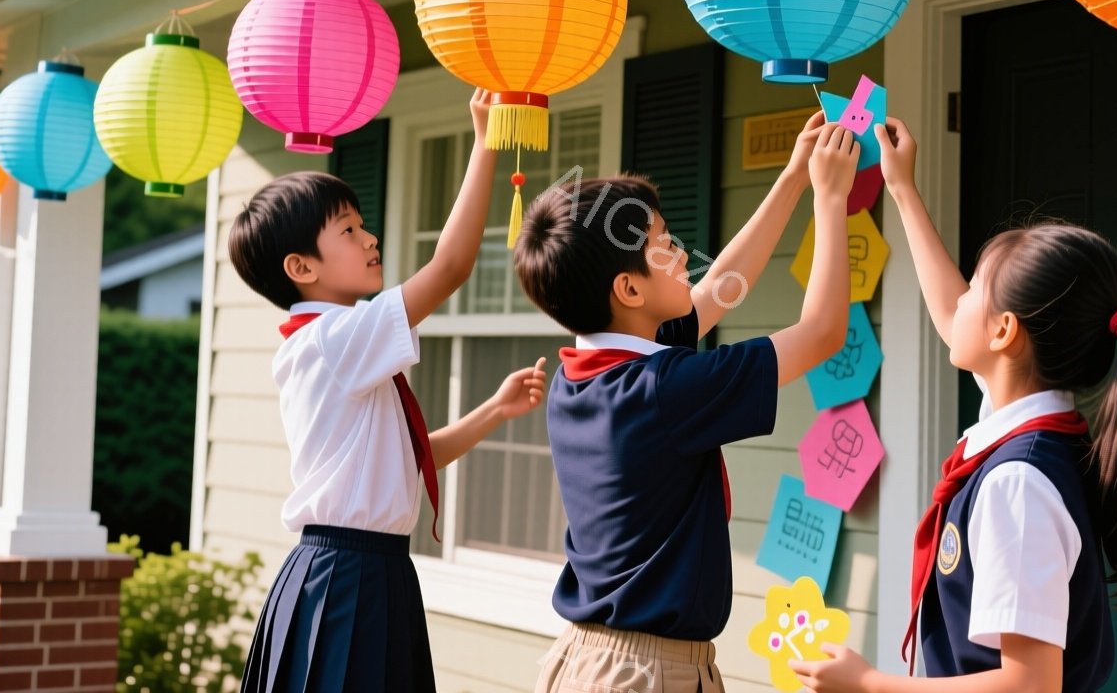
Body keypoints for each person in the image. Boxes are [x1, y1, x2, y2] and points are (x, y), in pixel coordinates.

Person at [791, 116, 1117, 693]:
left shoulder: (1015, 483)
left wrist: (870, 683)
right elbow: (955, 319)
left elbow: (1029, 686)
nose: (961, 298)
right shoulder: (1036, 429)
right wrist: (901, 188)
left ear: (1003, 332)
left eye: (974, 285)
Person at [512, 115, 861, 693]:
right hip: (644, 672)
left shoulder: (589, 375)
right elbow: (822, 332)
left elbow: (721, 288)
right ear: (628, 291)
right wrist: (830, 197)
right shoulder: (660, 389)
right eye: (666, 244)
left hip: (597, 659)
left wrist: (794, 177)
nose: (681, 252)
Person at [228, 89, 547, 692]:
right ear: (302, 269)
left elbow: (406, 458)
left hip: (365, 570)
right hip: (348, 573)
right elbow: (450, 267)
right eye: (349, 230)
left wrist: (493, 411)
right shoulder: (335, 338)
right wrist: (484, 146)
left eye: (362, 225)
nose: (370, 238)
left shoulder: (336, 342)